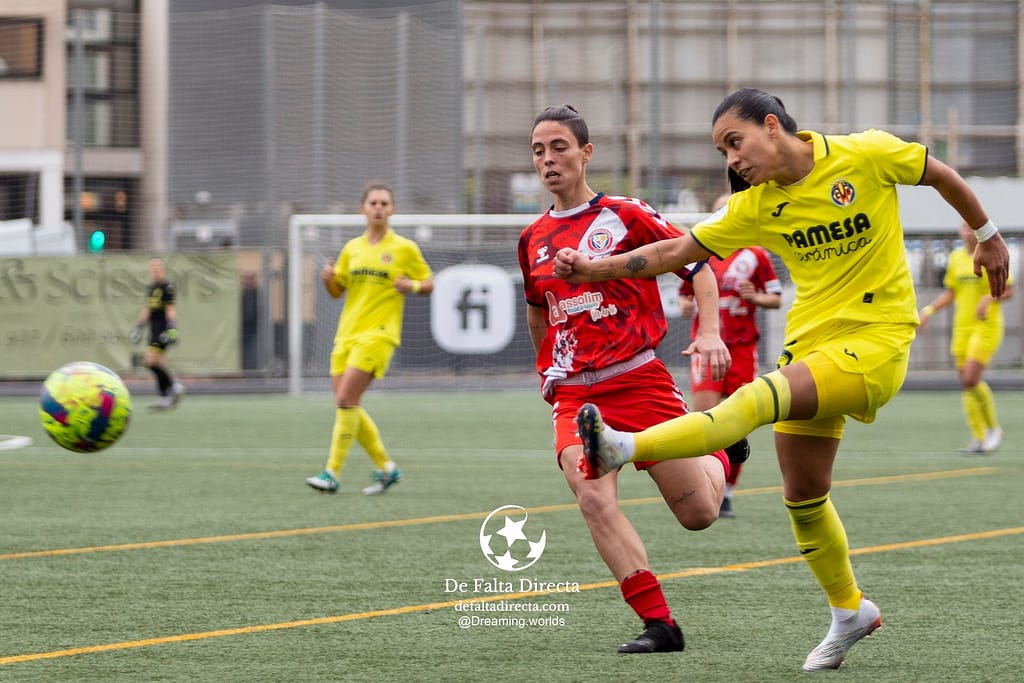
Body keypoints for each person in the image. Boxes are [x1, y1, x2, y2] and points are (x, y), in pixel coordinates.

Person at [552, 88, 1010, 671]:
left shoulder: (865, 154)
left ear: (772, 127)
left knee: (755, 399)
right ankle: (850, 612)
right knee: (804, 496)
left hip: (876, 342)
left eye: (734, 141)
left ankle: (623, 447)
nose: (731, 159)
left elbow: (942, 175)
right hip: (811, 346)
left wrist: (990, 235)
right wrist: (596, 268)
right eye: (722, 150)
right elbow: (674, 252)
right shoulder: (758, 205)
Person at [521, 104, 740, 654]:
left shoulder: (626, 214)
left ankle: (722, 450)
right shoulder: (532, 239)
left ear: (586, 153)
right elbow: (537, 309)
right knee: (593, 498)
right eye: (538, 151)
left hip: (638, 383)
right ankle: (660, 624)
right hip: (575, 395)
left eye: (559, 147)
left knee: (699, 515)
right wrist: (545, 367)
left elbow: (698, 265)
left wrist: (710, 331)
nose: (548, 159)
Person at [305, 183, 433, 496]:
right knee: (348, 404)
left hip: (379, 335)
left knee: (346, 400)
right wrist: (329, 281)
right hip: (346, 334)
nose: (378, 208)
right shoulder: (352, 248)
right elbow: (338, 292)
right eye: (373, 203)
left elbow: (428, 282)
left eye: (384, 203)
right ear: (362, 209)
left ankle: (331, 472)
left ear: (392, 210)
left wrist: (411, 287)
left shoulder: (404, 248)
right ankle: (387, 468)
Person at [677, 192, 783, 517]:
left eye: (728, 210)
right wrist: (687, 305)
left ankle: (727, 493)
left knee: (736, 422)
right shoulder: (700, 255)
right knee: (707, 419)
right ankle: (710, 485)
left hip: (741, 347)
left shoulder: (755, 255)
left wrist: (757, 297)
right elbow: (683, 301)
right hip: (706, 347)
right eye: (717, 211)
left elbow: (775, 299)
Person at [918, 222, 1014, 454]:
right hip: (962, 328)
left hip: (986, 326)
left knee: (971, 378)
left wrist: (989, 299)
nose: (968, 231)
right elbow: (951, 291)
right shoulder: (956, 258)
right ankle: (978, 437)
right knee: (966, 384)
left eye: (972, 227)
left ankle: (993, 429)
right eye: (964, 228)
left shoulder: (991, 253)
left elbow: (1009, 290)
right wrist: (929, 310)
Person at [130, 257, 185, 410]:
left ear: (163, 269)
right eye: (152, 268)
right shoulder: (151, 288)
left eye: (158, 267)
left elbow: (170, 309)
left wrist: (171, 328)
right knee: (158, 363)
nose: (155, 270)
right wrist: (139, 328)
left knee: (150, 362)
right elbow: (147, 309)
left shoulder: (167, 287)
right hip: (153, 329)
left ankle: (173, 385)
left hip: (162, 330)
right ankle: (165, 395)